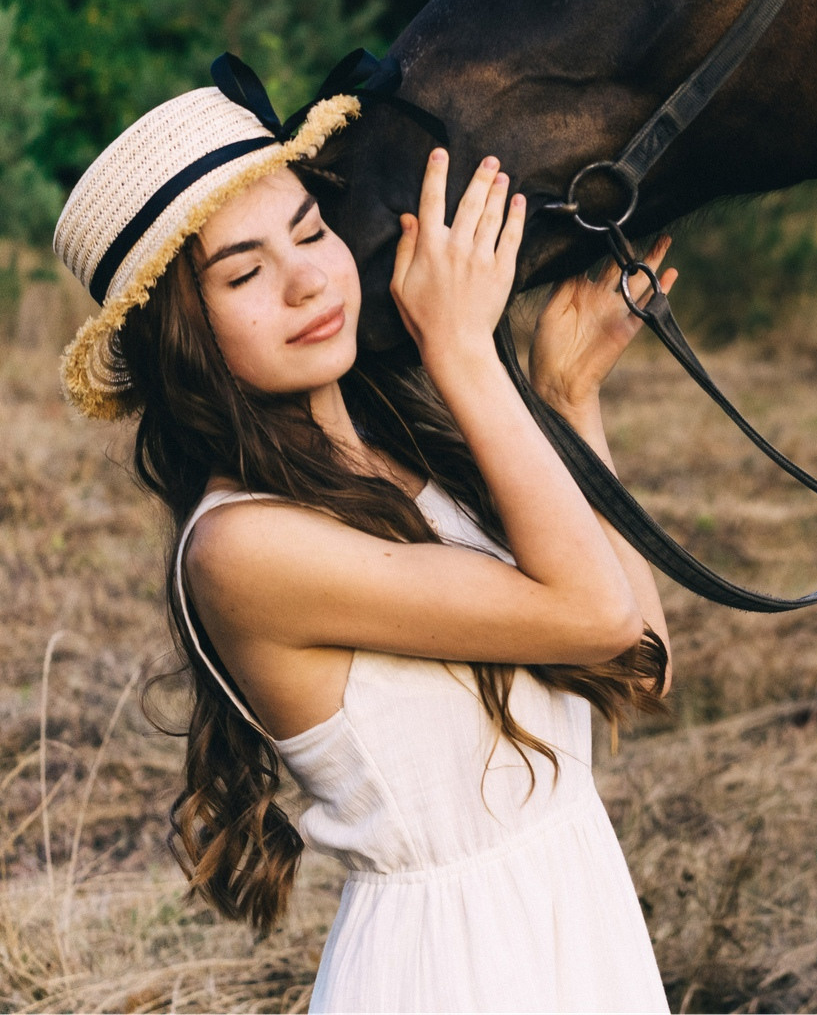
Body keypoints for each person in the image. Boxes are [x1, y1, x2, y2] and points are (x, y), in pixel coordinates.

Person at [51, 64, 674, 1012]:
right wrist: (463, 350)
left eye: (310, 231)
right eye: (246, 272)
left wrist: (566, 400)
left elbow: (638, 658)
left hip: (575, 922)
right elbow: (593, 616)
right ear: (184, 336)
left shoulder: (409, 457)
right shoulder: (240, 550)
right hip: (450, 970)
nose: (307, 278)